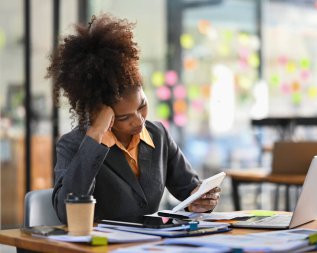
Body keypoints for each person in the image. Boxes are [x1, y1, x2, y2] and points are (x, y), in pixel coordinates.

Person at [47, 14, 221, 223]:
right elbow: (67, 213)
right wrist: (94, 135)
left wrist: (203, 200)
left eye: (142, 106)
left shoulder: (158, 135)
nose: (138, 121)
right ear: (98, 113)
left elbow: (190, 191)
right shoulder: (73, 145)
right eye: (124, 117)